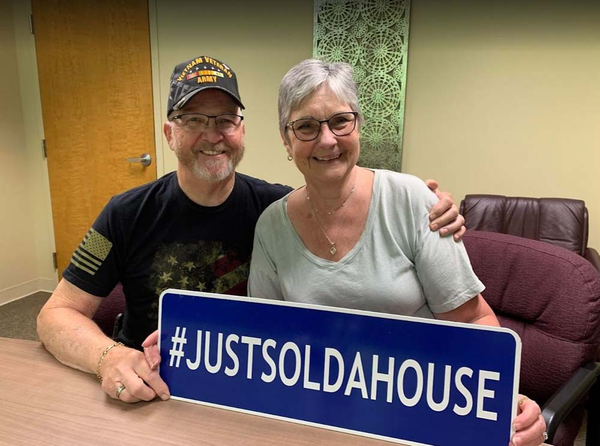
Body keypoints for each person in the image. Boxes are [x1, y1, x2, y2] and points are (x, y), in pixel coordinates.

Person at [36, 55, 463, 405]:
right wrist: (108, 356)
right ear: (169, 132)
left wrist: (429, 205)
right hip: (147, 390)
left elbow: (340, 198)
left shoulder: (277, 210)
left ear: (242, 130)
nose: (212, 135)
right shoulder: (124, 213)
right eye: (193, 120)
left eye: (224, 119)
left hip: (244, 392)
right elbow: (55, 314)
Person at [245, 59, 547, 446]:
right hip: (320, 415)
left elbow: (473, 321)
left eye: (340, 121)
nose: (326, 140)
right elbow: (265, 339)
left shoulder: (412, 201)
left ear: (358, 126)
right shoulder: (271, 225)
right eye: (306, 126)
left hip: (425, 411)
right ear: (286, 141)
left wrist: (502, 398)